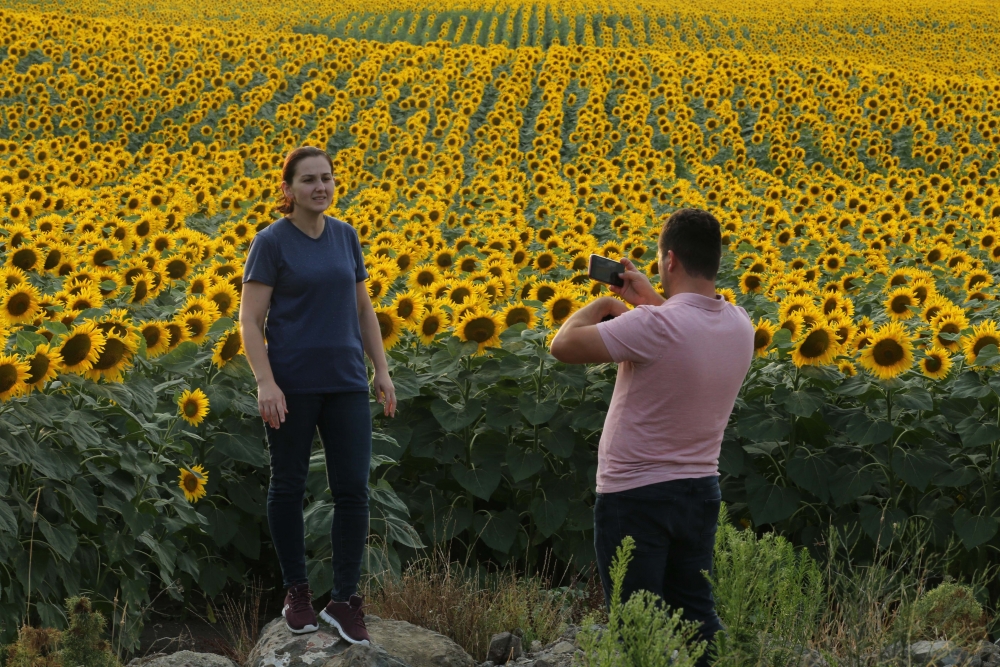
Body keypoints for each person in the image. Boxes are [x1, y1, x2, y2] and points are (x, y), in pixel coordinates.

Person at [549, 208, 753, 666]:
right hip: (700, 493)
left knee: (635, 628)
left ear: (670, 260)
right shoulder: (740, 324)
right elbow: (687, 331)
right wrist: (651, 300)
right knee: (698, 620)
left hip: (635, 497)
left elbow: (562, 345)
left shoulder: (654, 327)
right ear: (716, 260)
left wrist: (601, 307)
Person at [240, 146, 396, 643]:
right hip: (292, 386)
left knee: (353, 490)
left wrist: (382, 370)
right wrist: (266, 381)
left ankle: (344, 600)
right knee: (287, 486)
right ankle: (297, 592)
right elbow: (248, 319)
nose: (321, 187)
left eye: (327, 178)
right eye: (308, 180)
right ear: (287, 191)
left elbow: (364, 308)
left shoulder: (345, 236)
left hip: (347, 382)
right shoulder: (271, 242)